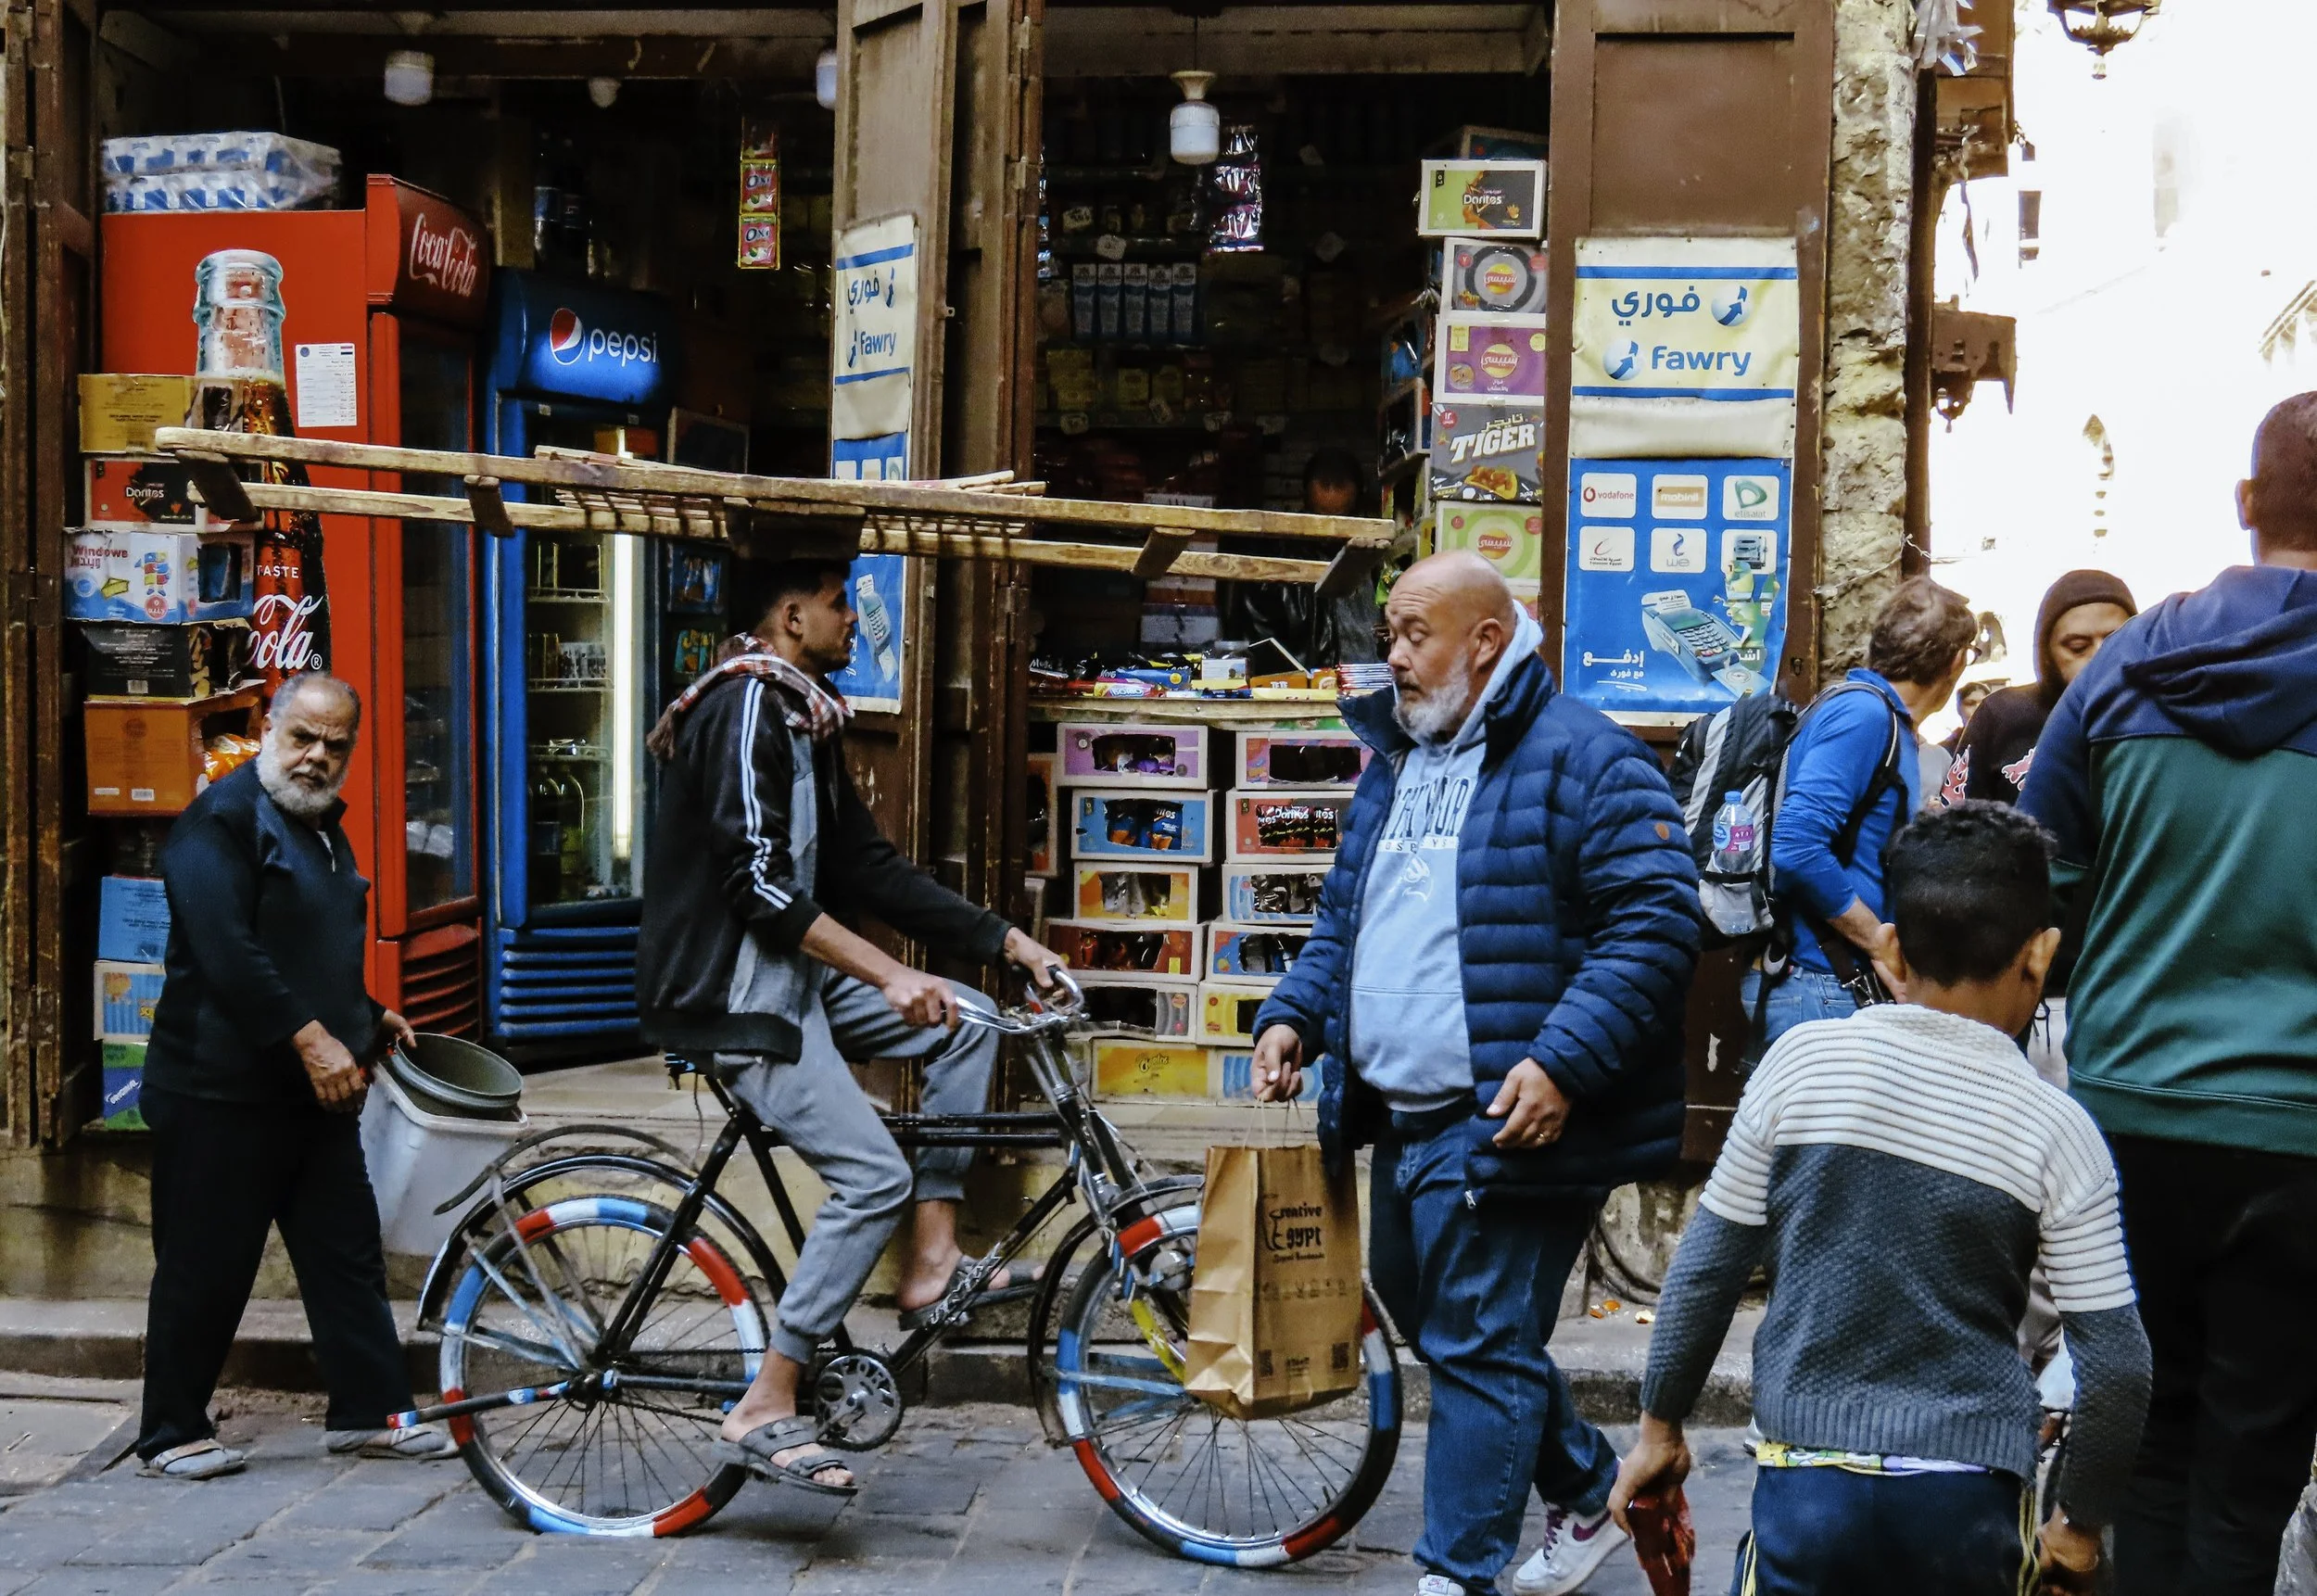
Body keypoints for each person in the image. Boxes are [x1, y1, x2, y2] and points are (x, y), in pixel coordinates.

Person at [1249, 551, 1700, 1596]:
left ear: (1486, 641)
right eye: (1392, 637)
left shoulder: (1588, 758)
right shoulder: (1396, 758)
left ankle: (1456, 1576)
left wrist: (1561, 1063)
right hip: (1403, 1114)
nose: (1392, 657)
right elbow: (1346, 921)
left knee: (1482, 1351)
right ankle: (1596, 1488)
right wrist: (1294, 1016)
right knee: (1438, 1319)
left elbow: (1654, 926)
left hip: (1511, 1116)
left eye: (1413, 635)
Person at [1612, 804, 2152, 1596]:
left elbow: (1704, 1273)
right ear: (2040, 955)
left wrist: (1659, 1428)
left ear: (1893, 944)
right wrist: (2076, 1530)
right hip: (1967, 1501)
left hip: (1806, 1487)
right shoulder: (2059, 1131)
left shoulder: (1800, 1065)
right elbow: (2119, 1367)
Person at [637, 558, 1066, 1497]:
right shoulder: (746, 707)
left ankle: (933, 1262)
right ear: (791, 615)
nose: (852, 623)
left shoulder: (803, 714)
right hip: (735, 994)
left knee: (970, 1020)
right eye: (838, 605)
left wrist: (1007, 942)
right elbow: (754, 884)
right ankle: (766, 1401)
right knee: (870, 1174)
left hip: (790, 980)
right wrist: (888, 970)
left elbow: (868, 869)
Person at [2020, 392, 2317, 1596]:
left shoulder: (2127, 667)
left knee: (2139, 1437)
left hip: (2132, 1116)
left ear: (2247, 505)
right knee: (2252, 1470)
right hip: (2302, 1138)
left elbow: (2041, 889)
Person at [136, 672, 453, 1480]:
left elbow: (308, 940)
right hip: (221, 1092)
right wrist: (315, 1039)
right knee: (205, 1265)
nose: (316, 757)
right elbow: (231, 957)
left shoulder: (315, 822)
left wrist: (363, 1012)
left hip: (312, 1097)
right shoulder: (219, 823)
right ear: (270, 728)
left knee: (344, 1254)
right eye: (302, 738)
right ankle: (171, 1432)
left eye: (334, 744)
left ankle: (370, 1413)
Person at [1748, 576, 1975, 1049]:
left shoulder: (1880, 718)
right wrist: (1876, 939)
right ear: (1957, 661)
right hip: (1819, 983)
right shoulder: (1864, 717)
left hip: (1828, 982)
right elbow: (1796, 845)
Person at [1939, 569, 2136, 808]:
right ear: (2046, 653)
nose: (2099, 657)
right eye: (2078, 647)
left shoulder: (2160, 716)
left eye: (2117, 640)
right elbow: (1955, 828)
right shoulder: (2002, 716)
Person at [1219, 447, 1382, 666]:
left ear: (1357, 506)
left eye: (1342, 519)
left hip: (1369, 686)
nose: (1330, 531)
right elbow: (1256, 643)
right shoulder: (1277, 559)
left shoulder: (1374, 558)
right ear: (1304, 500)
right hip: (1305, 691)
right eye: (1321, 518)